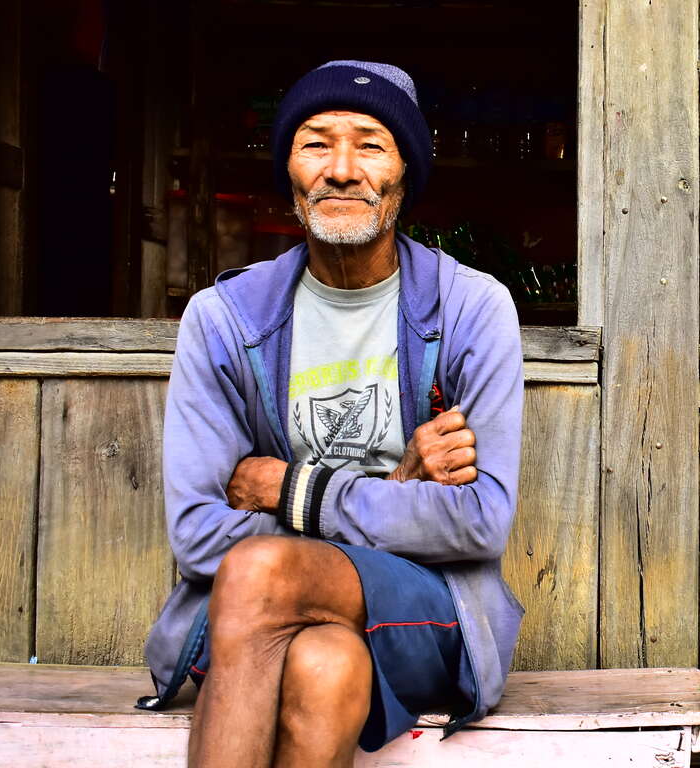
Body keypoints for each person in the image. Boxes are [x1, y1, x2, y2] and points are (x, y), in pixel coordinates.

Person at [138, 60, 525, 768]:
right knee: (322, 662)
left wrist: (294, 491)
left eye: (370, 144)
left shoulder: (470, 308)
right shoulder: (224, 319)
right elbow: (197, 537)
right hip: (252, 627)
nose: (341, 169)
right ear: (288, 168)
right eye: (316, 142)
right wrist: (401, 498)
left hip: (424, 611)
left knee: (261, 571)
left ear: (404, 172)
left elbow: (480, 519)